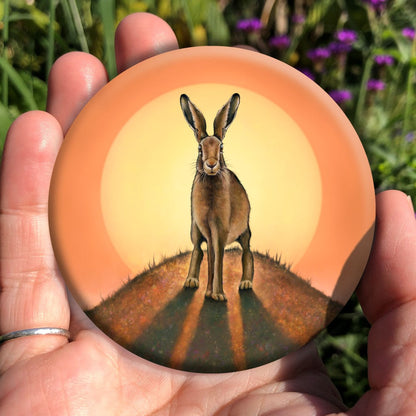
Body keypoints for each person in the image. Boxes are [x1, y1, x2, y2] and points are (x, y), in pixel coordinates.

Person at [0, 12, 415, 415]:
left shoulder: (231, 181)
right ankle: (197, 275)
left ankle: (230, 281)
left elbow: (228, 220)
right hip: (195, 210)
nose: (211, 157)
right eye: (205, 150)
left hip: (234, 213)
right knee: (200, 235)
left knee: (234, 239)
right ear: (200, 147)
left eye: (216, 150)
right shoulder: (199, 176)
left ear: (222, 148)